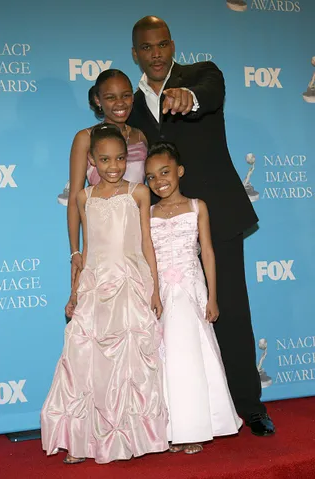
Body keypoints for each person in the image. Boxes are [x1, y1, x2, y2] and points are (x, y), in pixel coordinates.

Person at [128, 15, 275, 436]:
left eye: (161, 45)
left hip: (216, 215)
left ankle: (249, 406)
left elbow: (207, 96)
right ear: (135, 53)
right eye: (146, 48)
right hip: (159, 228)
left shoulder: (202, 75)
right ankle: (176, 413)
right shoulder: (131, 104)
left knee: (228, 311)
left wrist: (186, 97)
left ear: (172, 45)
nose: (155, 54)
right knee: (170, 321)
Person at [41, 124, 168, 464]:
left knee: (134, 365)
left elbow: (146, 242)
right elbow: (87, 247)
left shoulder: (139, 192)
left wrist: (154, 287)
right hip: (96, 285)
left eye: (121, 158)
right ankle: (84, 439)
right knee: (87, 361)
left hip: (129, 282)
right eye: (105, 159)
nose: (114, 166)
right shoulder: (84, 197)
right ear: (92, 162)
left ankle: (135, 436)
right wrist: (75, 290)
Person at [146, 142, 243, 454]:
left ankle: (197, 426)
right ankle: (171, 428)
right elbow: (147, 259)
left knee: (194, 356)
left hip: (192, 288)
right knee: (167, 358)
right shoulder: (146, 213)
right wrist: (151, 292)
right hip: (162, 292)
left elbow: (209, 253)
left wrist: (213, 296)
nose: (159, 180)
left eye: (165, 172)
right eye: (151, 177)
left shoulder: (197, 206)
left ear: (180, 171)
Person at [68, 69, 148, 287]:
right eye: (110, 97)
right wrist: (75, 250)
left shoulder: (141, 136)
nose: (120, 103)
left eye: (126, 95)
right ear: (98, 100)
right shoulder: (85, 138)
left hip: (140, 240)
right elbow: (75, 198)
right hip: (103, 242)